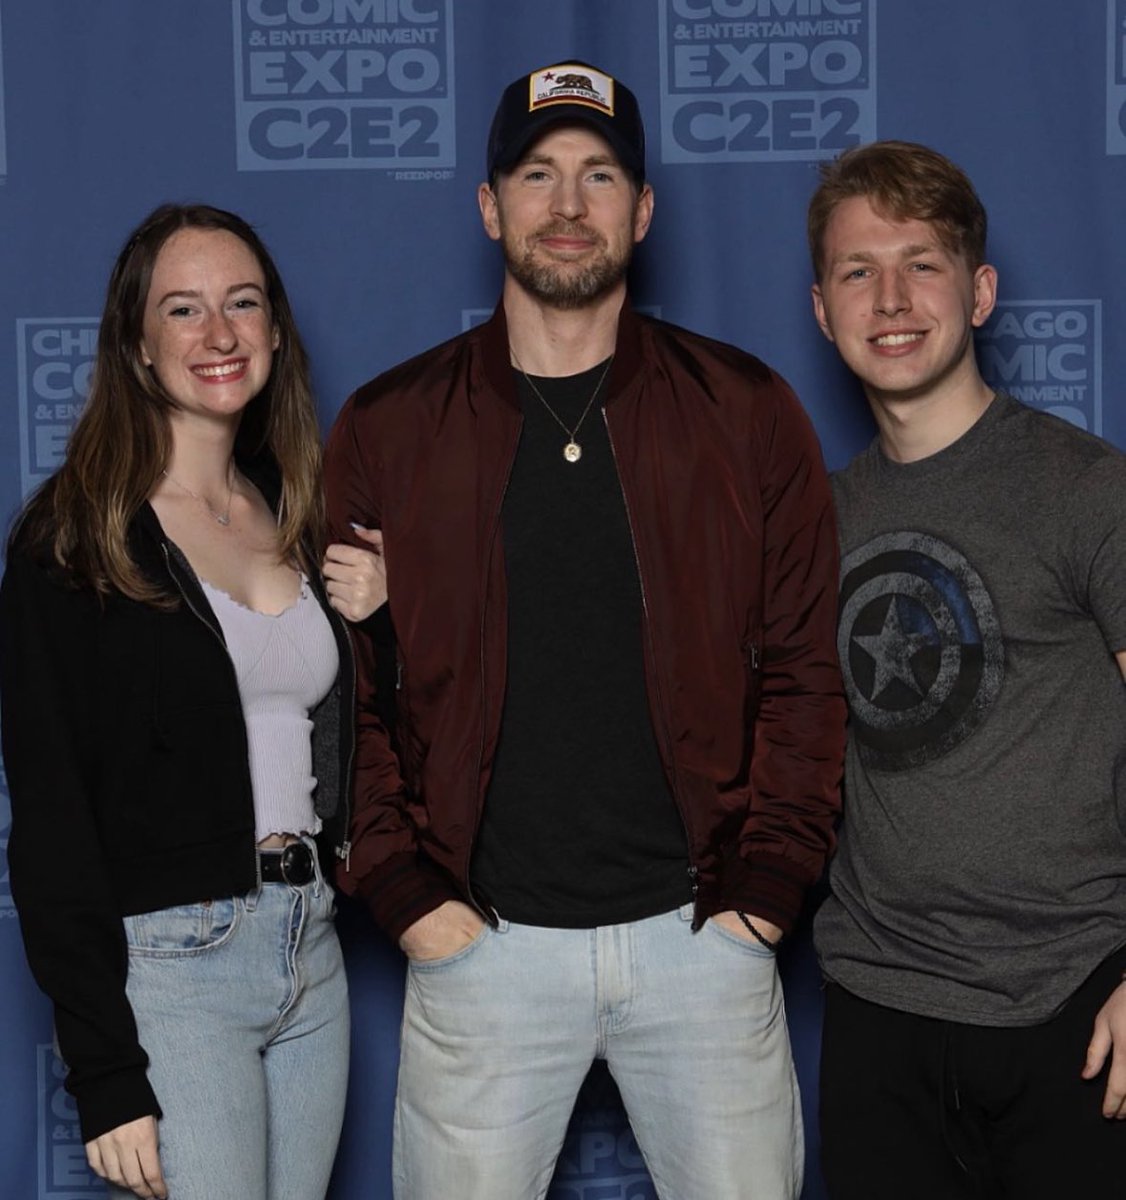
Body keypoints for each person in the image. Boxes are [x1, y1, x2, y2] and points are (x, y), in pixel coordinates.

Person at [325, 60, 846, 1199]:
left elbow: (810, 671)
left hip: (702, 939)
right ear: (488, 205)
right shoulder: (391, 426)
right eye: (538, 173)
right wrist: (410, 898)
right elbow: (341, 697)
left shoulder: (746, 411)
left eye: (600, 175)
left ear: (643, 210)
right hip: (483, 948)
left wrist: (764, 892)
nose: (568, 205)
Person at [0, 203, 385, 1199]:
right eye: (183, 309)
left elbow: (368, 731)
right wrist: (104, 1070)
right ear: (137, 340)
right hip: (174, 963)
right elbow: (49, 820)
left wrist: (378, 622)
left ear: (274, 329)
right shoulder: (71, 540)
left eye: (242, 304)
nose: (218, 335)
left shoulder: (297, 509)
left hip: (311, 942)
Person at [807, 140, 1126, 1197]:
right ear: (821, 309)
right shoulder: (818, 520)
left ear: (980, 291)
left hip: (1073, 1001)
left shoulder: (1085, 489)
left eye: (922, 263)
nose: (890, 298)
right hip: (876, 1008)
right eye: (858, 270)